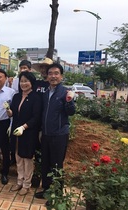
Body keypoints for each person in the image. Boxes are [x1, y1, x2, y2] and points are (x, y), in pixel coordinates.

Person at [34, 63, 75, 203]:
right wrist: (40, 130)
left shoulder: (65, 93)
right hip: (45, 134)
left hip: (59, 135)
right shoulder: (46, 93)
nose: (53, 76)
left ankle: (56, 194)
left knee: (56, 165)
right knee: (45, 163)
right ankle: (46, 190)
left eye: (56, 73)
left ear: (61, 76)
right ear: (47, 76)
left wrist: (69, 101)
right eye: (50, 73)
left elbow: (71, 112)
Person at [7, 71, 41, 196]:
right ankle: (19, 181)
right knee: (18, 157)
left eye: (26, 81)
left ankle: (27, 184)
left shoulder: (36, 97)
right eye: (21, 81)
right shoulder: (16, 96)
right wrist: (8, 112)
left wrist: (24, 127)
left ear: (32, 82)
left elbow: (36, 117)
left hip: (28, 133)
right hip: (16, 132)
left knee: (27, 159)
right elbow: (14, 114)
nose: (23, 83)